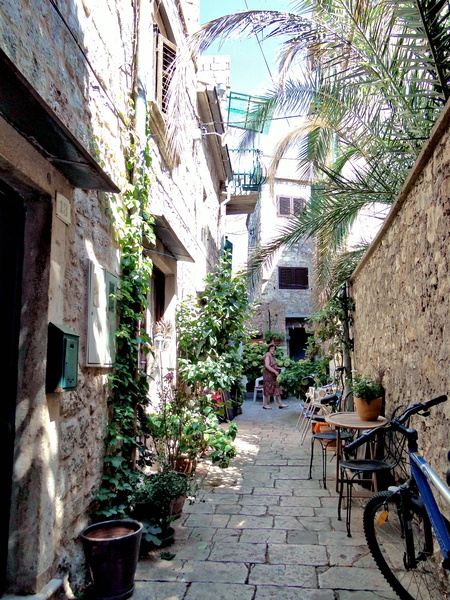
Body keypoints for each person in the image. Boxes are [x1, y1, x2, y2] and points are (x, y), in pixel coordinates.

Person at [262, 343, 288, 409]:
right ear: (269, 349)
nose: (273, 350)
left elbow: (273, 365)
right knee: (267, 389)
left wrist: (278, 368)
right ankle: (265, 404)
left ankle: (280, 403)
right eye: (272, 349)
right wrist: (275, 371)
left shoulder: (271, 356)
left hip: (273, 376)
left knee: (277, 388)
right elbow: (267, 365)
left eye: (274, 349)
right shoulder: (267, 356)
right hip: (268, 376)